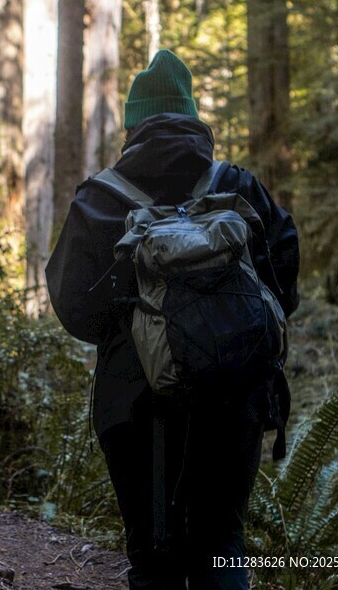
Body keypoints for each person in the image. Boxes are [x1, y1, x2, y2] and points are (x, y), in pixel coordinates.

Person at [46, 49, 300, 590]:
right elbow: (284, 283)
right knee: (221, 545)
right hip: (233, 396)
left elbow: (73, 308)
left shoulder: (99, 200)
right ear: (192, 118)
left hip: (132, 402)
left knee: (151, 558)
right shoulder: (239, 186)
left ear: (133, 125)